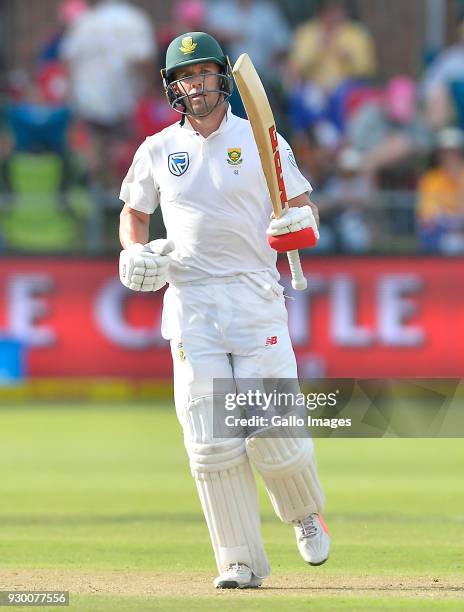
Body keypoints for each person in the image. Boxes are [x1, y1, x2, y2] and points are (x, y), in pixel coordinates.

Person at [118, 32, 329, 589]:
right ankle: (239, 561)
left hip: (254, 297)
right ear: (174, 88)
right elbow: (134, 212)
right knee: (212, 444)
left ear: (222, 80)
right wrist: (133, 251)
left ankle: (305, 512)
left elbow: (304, 213)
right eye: (186, 78)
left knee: (266, 428)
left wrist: (295, 228)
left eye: (205, 74)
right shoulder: (158, 148)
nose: (196, 85)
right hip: (191, 304)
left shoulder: (262, 140)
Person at [416, 127, 464, 254]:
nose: (449, 157)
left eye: (453, 152)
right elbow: (427, 216)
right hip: (441, 233)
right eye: (444, 152)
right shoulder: (430, 179)